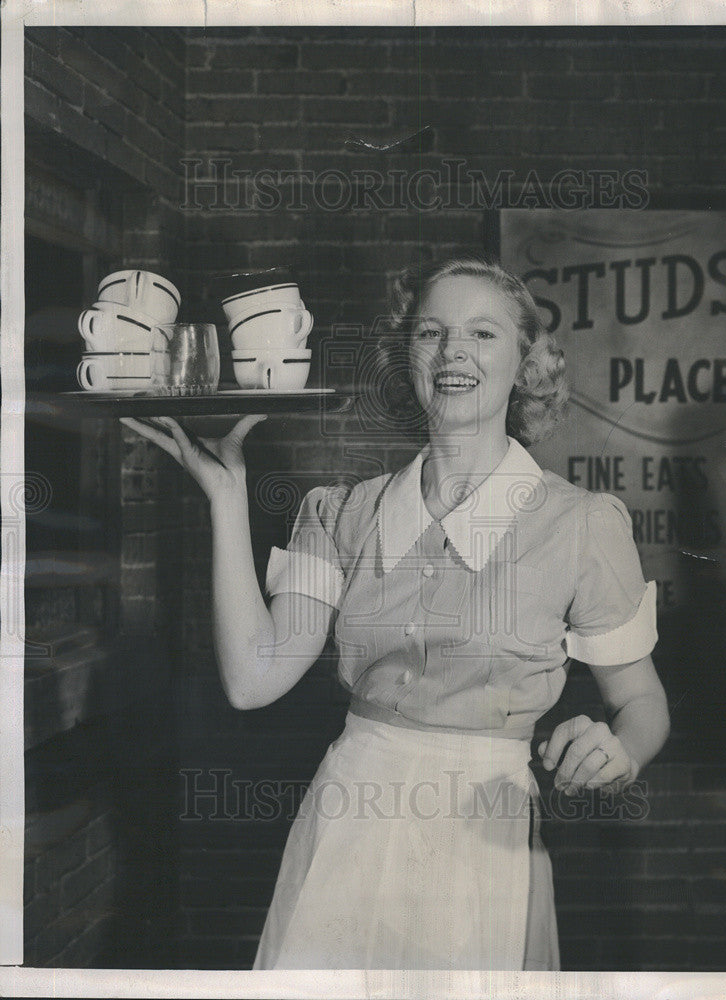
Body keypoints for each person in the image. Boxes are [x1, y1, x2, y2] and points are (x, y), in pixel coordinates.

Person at [122, 257, 670, 971]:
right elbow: (252, 681)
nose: (452, 354)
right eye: (430, 333)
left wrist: (620, 750)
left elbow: (642, 702)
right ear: (405, 357)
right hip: (348, 820)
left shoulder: (580, 526)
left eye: (482, 333)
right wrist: (228, 502)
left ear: (526, 361)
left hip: (485, 835)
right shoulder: (342, 512)